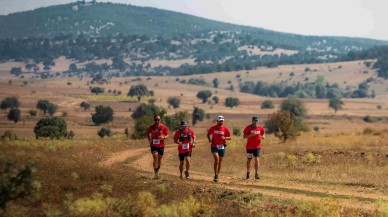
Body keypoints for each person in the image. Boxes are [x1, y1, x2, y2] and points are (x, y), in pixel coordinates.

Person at [207, 115, 231, 182]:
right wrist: (209, 139)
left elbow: (230, 137)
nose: (221, 122)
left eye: (222, 121)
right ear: (217, 121)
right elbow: (208, 134)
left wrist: (225, 138)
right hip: (214, 146)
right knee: (216, 160)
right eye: (220, 121)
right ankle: (215, 175)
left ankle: (217, 175)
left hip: (222, 146)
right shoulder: (213, 128)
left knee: (220, 161)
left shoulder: (225, 129)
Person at [243, 116, 265, 180]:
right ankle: (248, 173)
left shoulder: (260, 127)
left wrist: (263, 136)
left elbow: (263, 133)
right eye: (254, 120)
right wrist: (251, 135)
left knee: (257, 158)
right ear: (252, 121)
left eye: (257, 120)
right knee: (249, 160)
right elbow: (244, 136)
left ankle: (256, 174)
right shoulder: (248, 128)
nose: (256, 122)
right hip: (250, 147)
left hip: (257, 146)